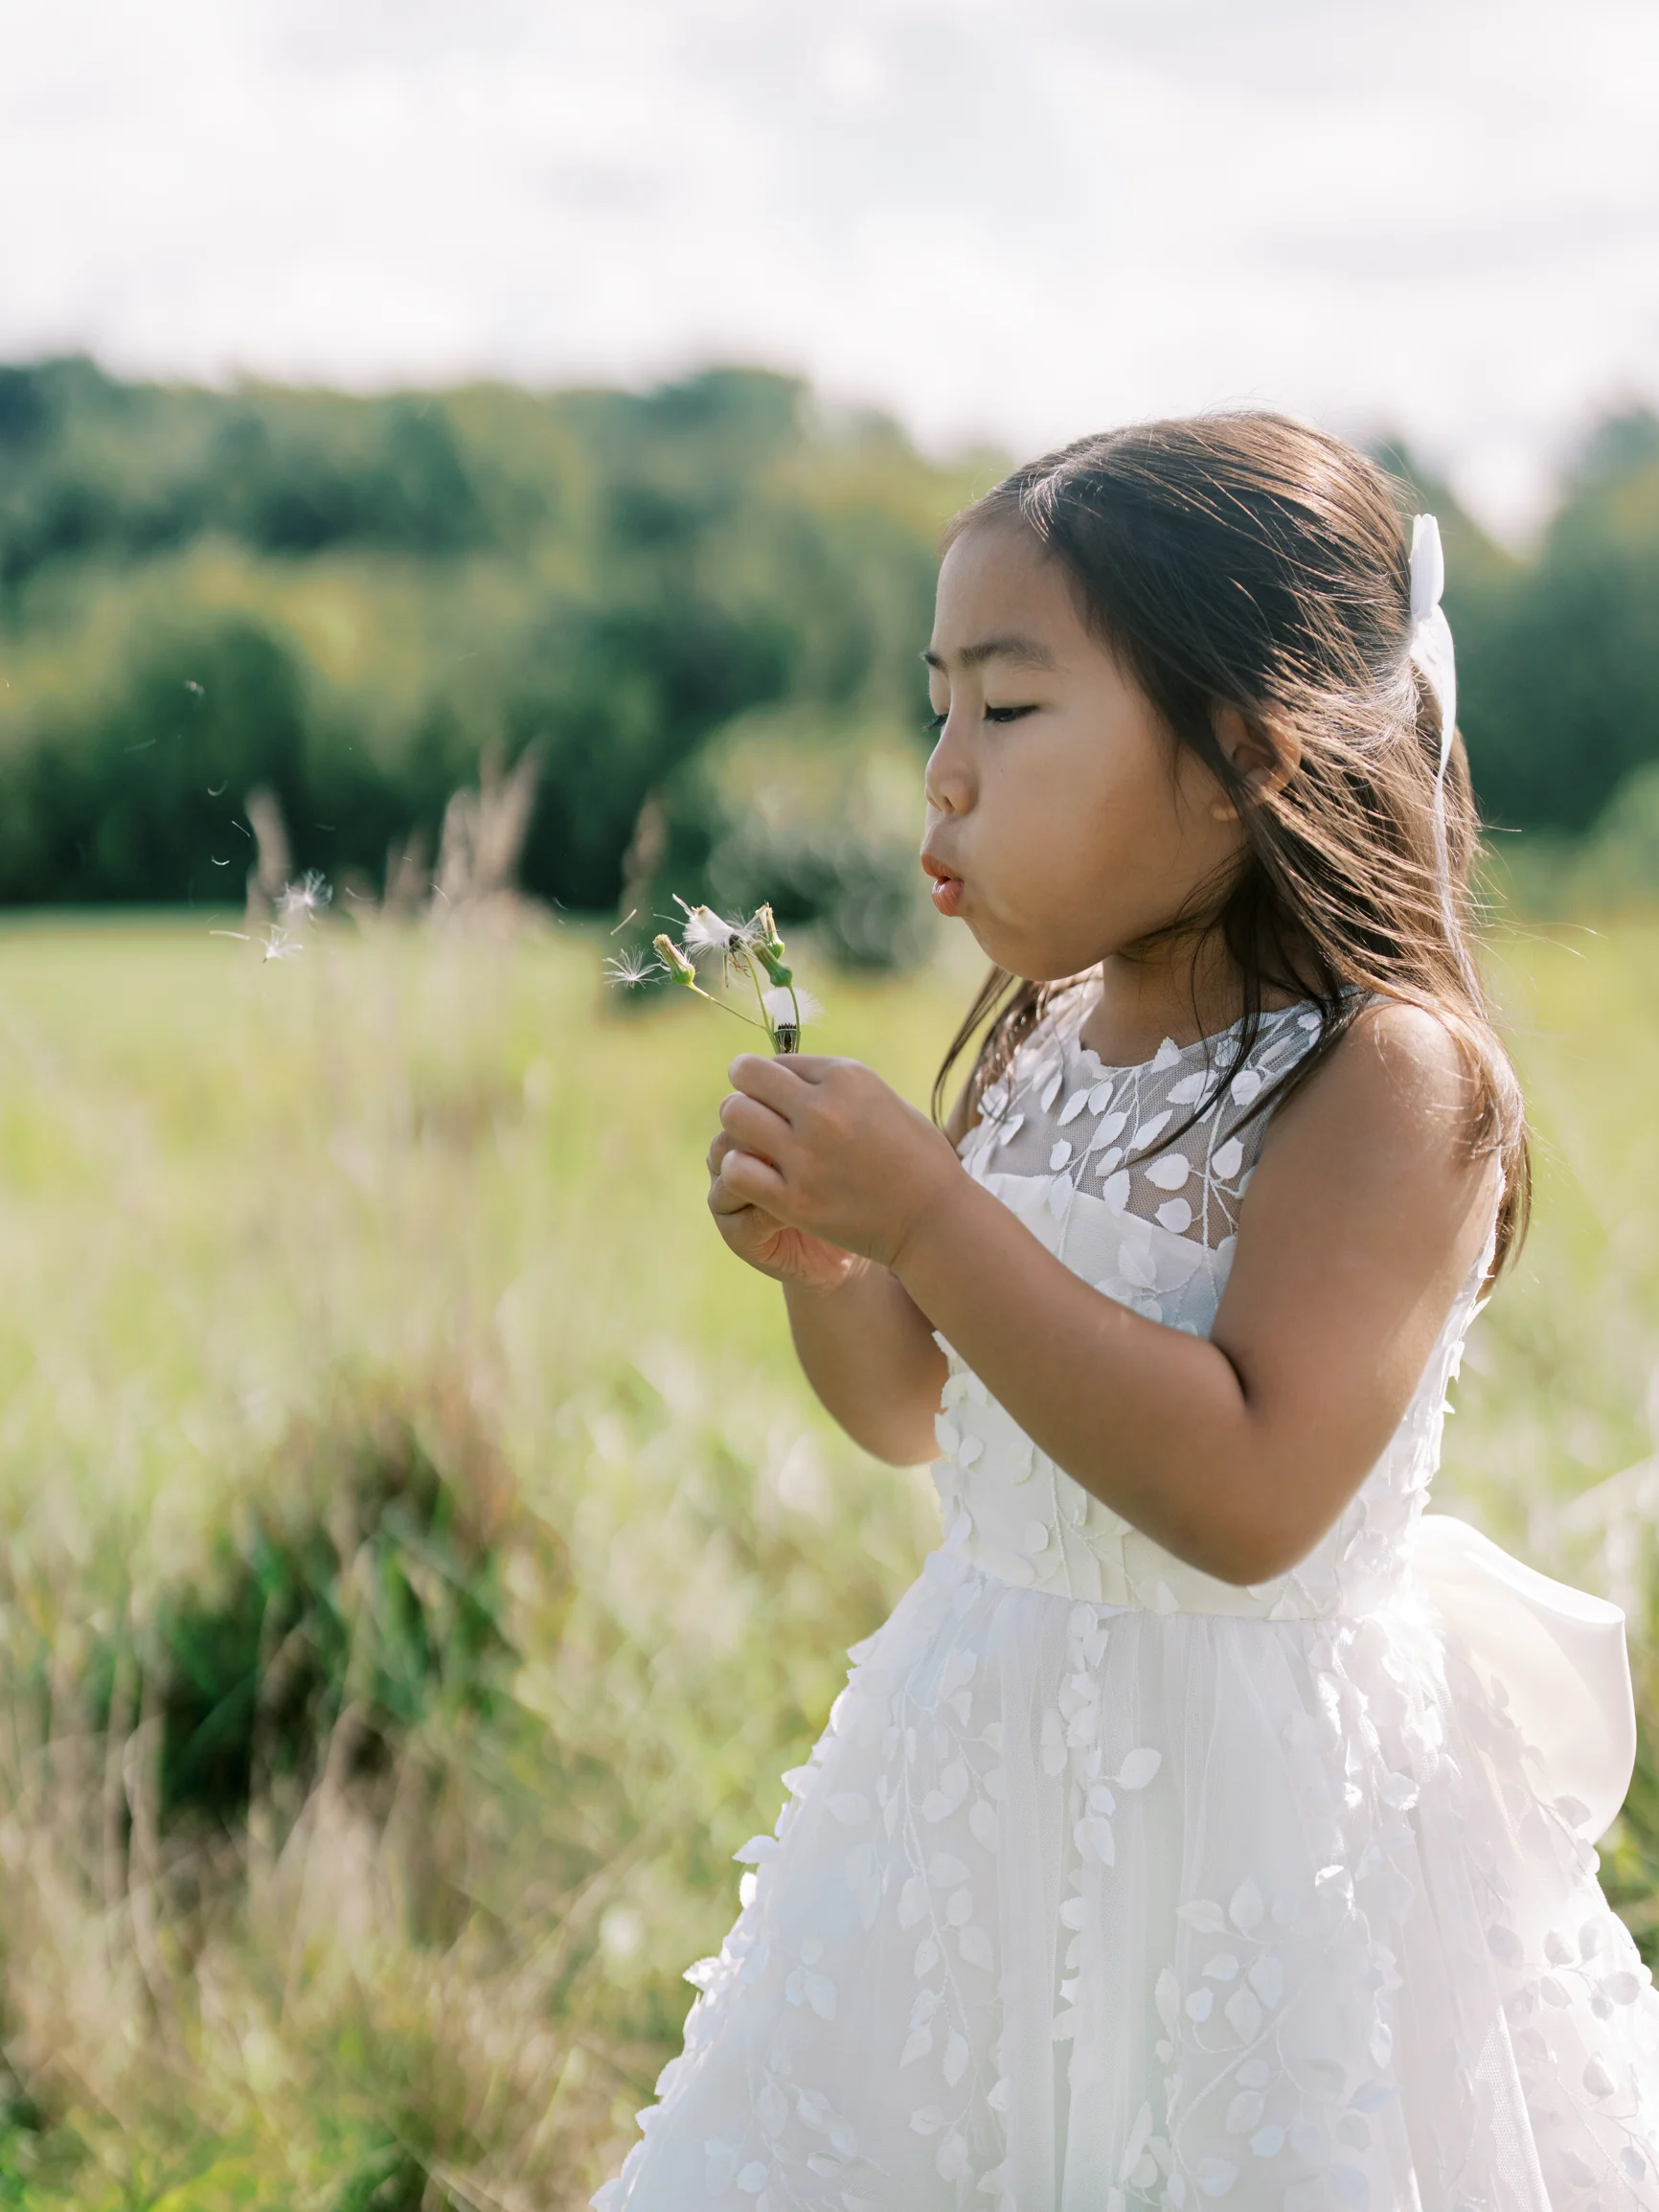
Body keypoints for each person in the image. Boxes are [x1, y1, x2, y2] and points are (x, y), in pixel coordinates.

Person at [595, 415, 1659, 2211]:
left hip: (1263, 1835)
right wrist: (836, 1262)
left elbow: (1248, 1496)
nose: (942, 776)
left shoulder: (1388, 1081)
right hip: (985, 1786)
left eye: (1009, 709)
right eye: (938, 706)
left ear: (1248, 752)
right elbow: (916, 1411)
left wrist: (927, 1215)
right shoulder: (1048, 1040)